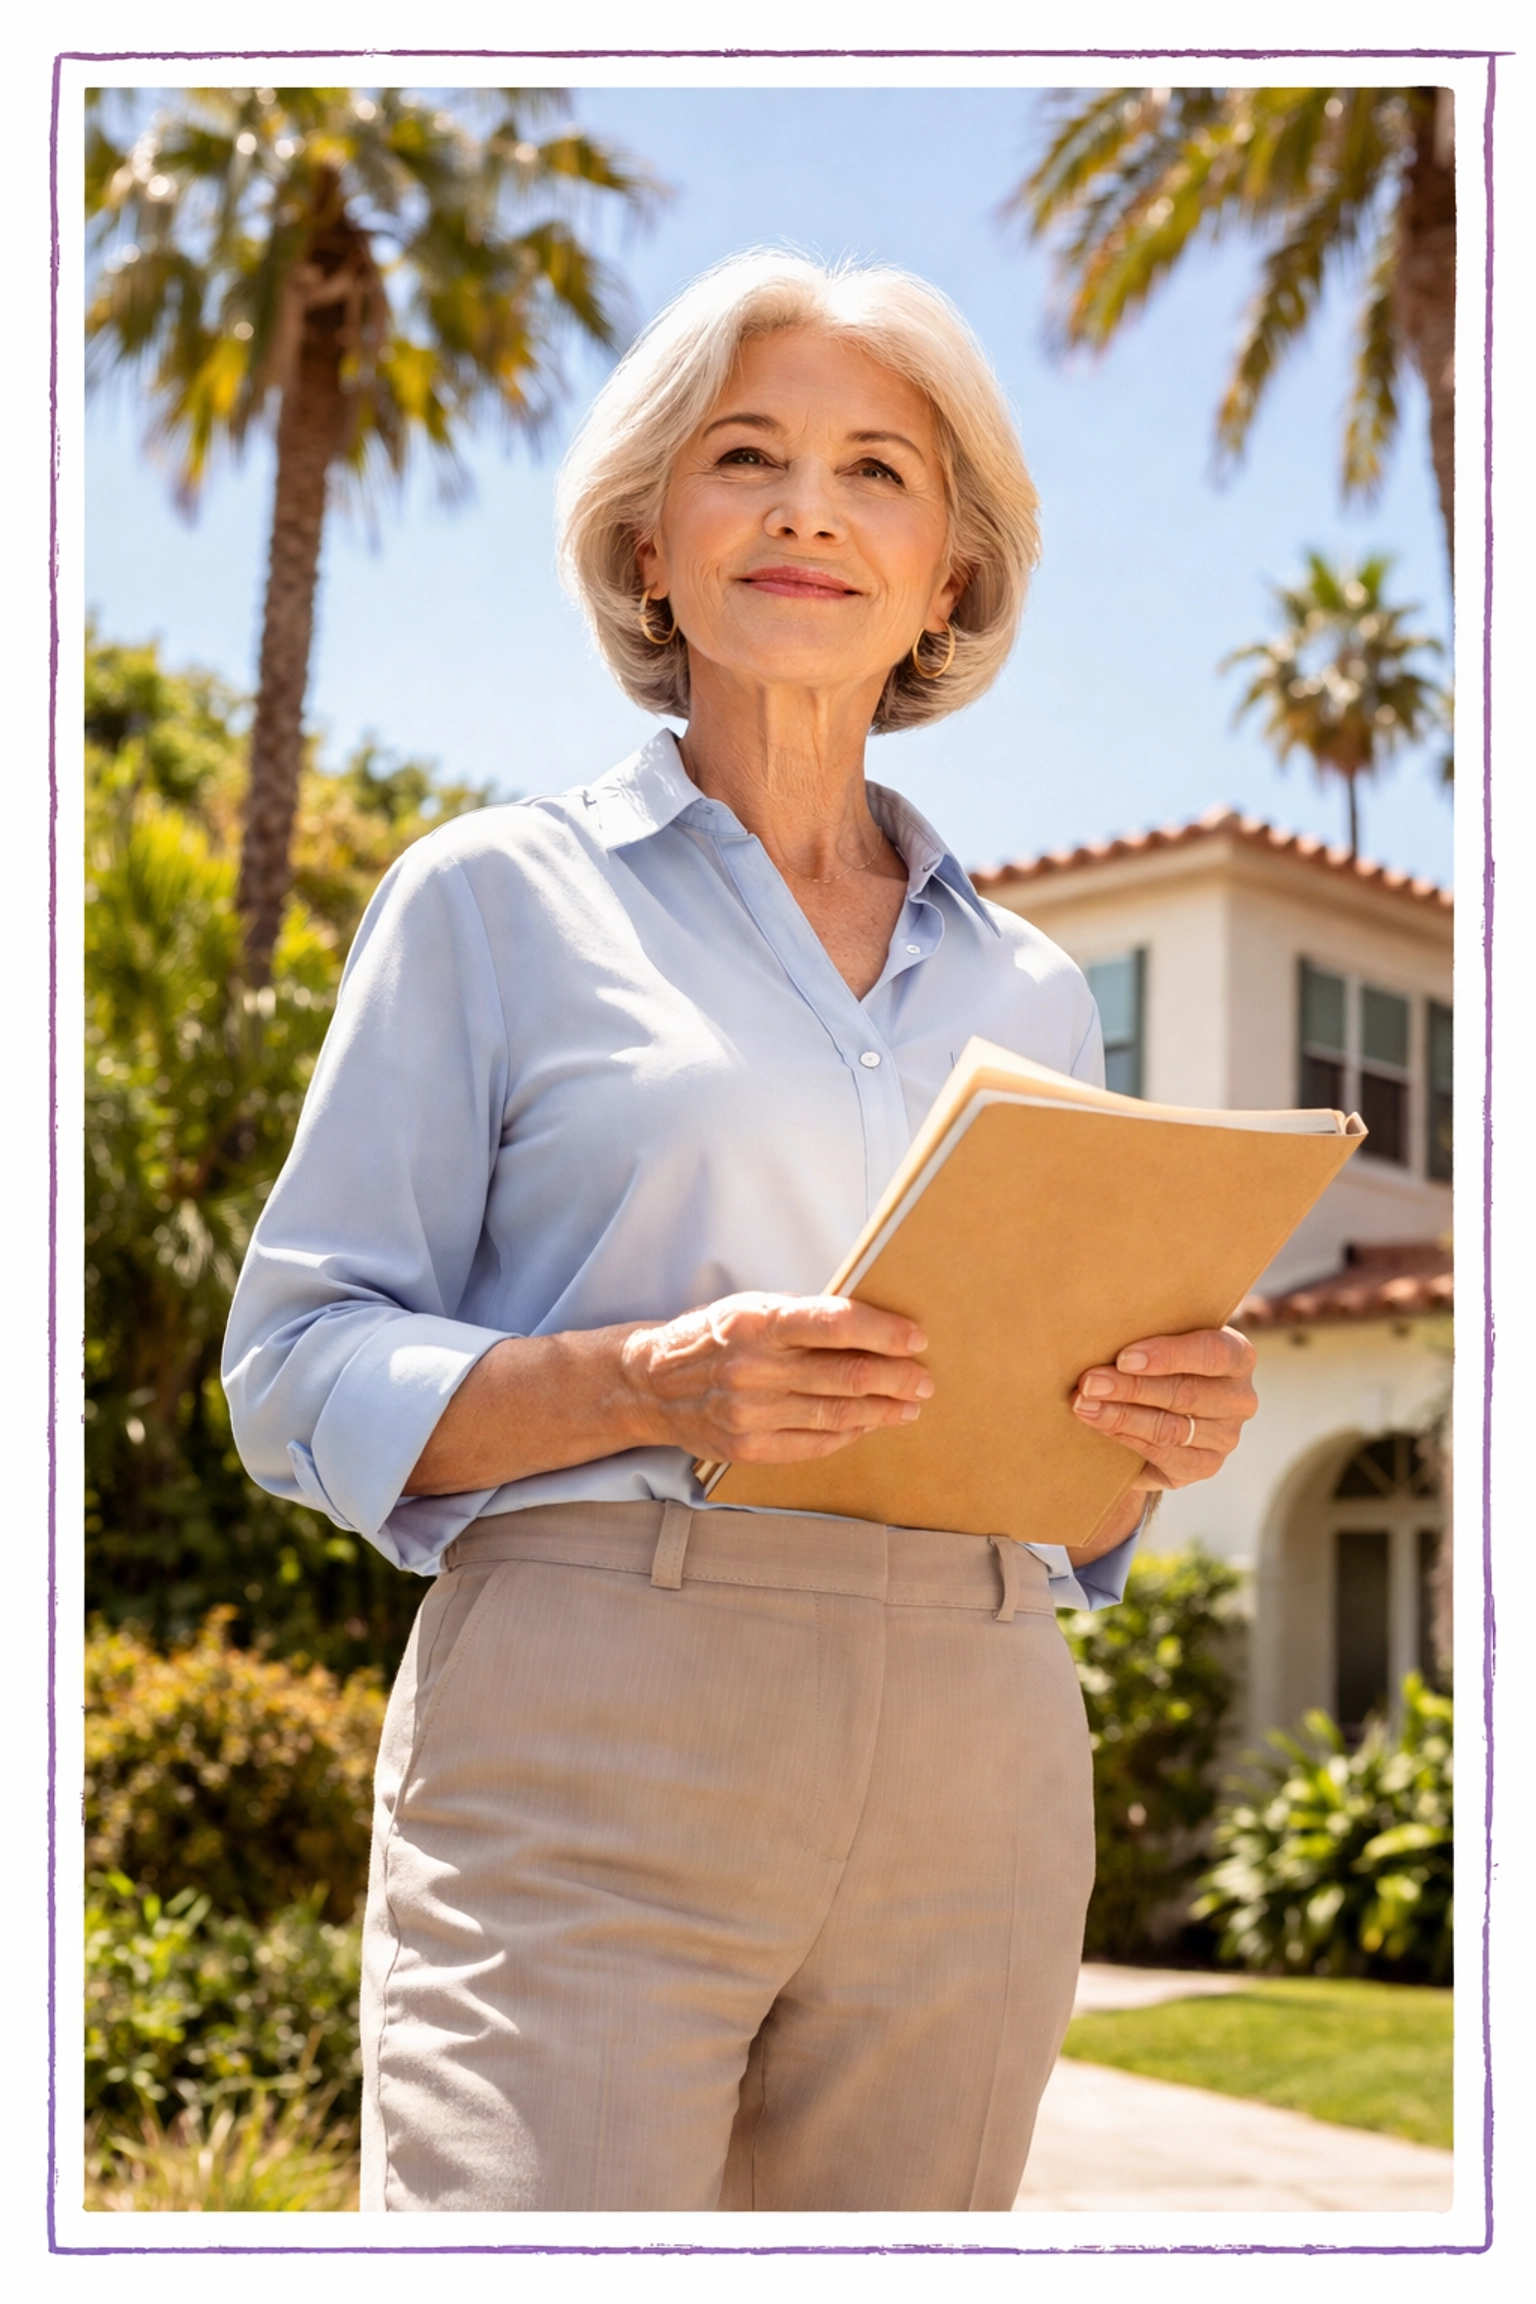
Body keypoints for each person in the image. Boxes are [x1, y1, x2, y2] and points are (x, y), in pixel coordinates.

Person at [223, 251, 1258, 2214]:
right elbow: (294, 1366)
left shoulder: (1036, 992)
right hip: (592, 1722)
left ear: (950, 575)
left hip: (978, 1744)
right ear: (649, 545)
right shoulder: (490, 902)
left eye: (878, 472)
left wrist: (1147, 1435)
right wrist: (647, 1381)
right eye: (746, 456)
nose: (808, 510)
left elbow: (1066, 1487)